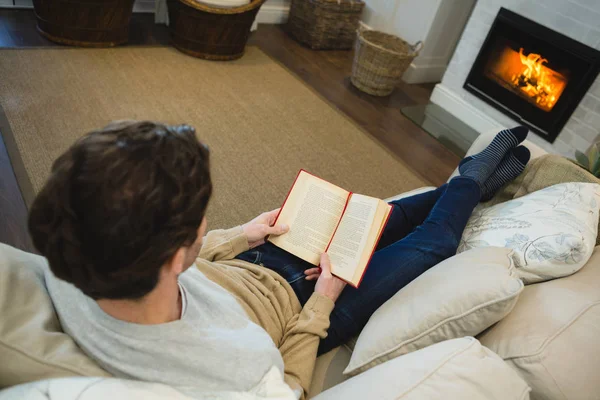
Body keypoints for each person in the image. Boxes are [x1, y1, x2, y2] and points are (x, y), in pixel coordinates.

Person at [28, 121, 530, 399]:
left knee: (380, 217)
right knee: (431, 244)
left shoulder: (75, 261)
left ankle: (469, 181)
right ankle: (471, 178)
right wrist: (324, 300)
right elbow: (291, 387)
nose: (207, 225)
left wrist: (243, 235)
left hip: (261, 260)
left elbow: (187, 257)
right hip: (306, 304)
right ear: (175, 253)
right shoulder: (235, 373)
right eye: (202, 220)